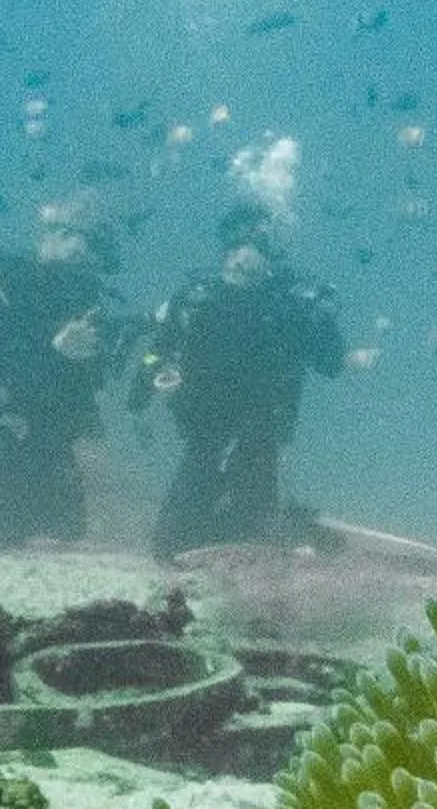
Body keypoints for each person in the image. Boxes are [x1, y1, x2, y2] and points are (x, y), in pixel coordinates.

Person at [131, 204, 345, 558]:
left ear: (273, 253)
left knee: (250, 519)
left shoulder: (290, 302)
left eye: (258, 245)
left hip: (263, 429)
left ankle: (289, 528)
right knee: (169, 545)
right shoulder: (196, 297)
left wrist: (324, 322)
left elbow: (330, 364)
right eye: (235, 244)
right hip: (203, 426)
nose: (244, 255)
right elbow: (157, 351)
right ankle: (284, 526)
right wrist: (142, 395)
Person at [0, 209, 115, 543]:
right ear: (54, 234)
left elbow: (86, 361)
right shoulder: (0, 273)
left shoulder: (77, 283)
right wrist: (54, 344)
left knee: (66, 527)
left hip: (50, 413)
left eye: (93, 245)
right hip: (3, 408)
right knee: (5, 530)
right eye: (81, 239)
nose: (85, 253)